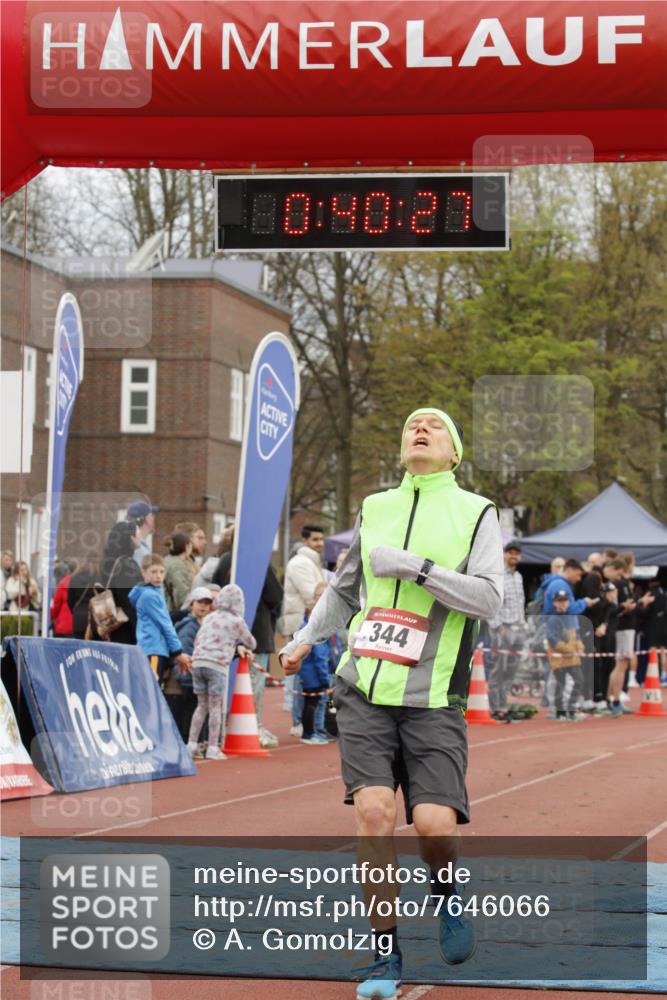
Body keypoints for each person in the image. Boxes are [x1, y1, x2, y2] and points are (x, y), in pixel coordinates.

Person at [280, 407, 503, 998]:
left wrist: (418, 569)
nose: (419, 430)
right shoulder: (374, 508)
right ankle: (386, 954)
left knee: (433, 827)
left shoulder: (476, 512)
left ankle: (448, 896)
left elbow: (488, 600)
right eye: (410, 426)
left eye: (433, 426)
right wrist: (304, 640)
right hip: (364, 690)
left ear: (454, 452)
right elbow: (345, 590)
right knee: (375, 814)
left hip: (433, 696)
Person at [212, 529, 284, 749]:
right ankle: (254, 728)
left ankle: (223, 728)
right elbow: (275, 595)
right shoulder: (260, 562)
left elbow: (215, 586)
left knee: (227, 682)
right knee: (253, 683)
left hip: (225, 633)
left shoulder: (225, 561)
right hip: (257, 632)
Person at [187, 584, 256, 761]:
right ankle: (212, 747)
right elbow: (251, 642)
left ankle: (191, 745)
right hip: (216, 666)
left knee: (201, 705)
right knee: (215, 707)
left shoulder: (210, 617)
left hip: (198, 662)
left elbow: (198, 639)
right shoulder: (236, 621)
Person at [282, 524, 327, 717]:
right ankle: (298, 720)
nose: (320, 543)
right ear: (304, 541)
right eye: (315, 540)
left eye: (321, 539)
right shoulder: (301, 563)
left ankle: (305, 721)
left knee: (311, 675)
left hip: (310, 624)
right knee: (302, 676)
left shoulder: (312, 562)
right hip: (301, 625)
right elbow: (313, 596)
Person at [129, 554, 192, 682]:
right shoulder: (150, 596)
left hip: (151, 649)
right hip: (153, 650)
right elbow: (165, 624)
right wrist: (178, 652)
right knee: (151, 690)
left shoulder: (151, 593)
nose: (158, 576)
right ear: (143, 572)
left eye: (161, 572)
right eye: (153, 571)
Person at [163, 586, 215, 740]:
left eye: (207, 603)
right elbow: (185, 655)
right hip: (183, 682)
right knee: (183, 718)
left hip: (194, 679)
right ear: (192, 604)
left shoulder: (205, 625)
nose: (203, 606)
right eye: (200, 603)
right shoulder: (188, 627)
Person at [486, 542, 526, 722]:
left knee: (511, 670)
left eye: (516, 553)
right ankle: (495, 708)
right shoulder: (498, 574)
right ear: (503, 554)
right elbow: (491, 599)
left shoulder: (518, 576)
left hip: (518, 628)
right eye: (510, 552)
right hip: (502, 628)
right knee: (498, 669)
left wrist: (524, 625)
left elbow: (520, 602)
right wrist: (497, 626)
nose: (513, 556)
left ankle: (503, 705)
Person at [97, 521, 142, 643]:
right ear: (131, 538)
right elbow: (128, 599)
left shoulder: (109, 561)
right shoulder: (126, 564)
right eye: (138, 533)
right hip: (125, 627)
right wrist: (141, 626)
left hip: (114, 624)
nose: (141, 537)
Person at [545, 589, 585, 721]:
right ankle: (560, 710)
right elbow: (552, 639)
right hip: (559, 658)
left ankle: (571, 707)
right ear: (554, 603)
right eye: (559, 601)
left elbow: (577, 636)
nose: (562, 604)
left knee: (579, 680)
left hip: (573, 657)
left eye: (565, 601)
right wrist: (567, 649)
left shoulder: (572, 617)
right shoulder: (553, 619)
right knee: (560, 683)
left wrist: (580, 648)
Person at [67, 553, 99, 639]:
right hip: (95, 619)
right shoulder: (98, 578)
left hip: (78, 619)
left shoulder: (74, 578)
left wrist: (76, 611)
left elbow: (70, 601)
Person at [164, 532, 195, 613]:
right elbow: (181, 596)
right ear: (187, 546)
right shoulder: (178, 565)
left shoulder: (167, 560)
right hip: (171, 612)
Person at [127, 500, 159, 568]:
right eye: (151, 515)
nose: (154, 518)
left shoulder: (132, 542)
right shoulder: (139, 549)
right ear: (146, 519)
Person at [50, 563, 75, 637]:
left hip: (62, 625)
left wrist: (53, 617)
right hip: (77, 626)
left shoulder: (62, 583)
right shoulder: (81, 582)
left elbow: (56, 606)